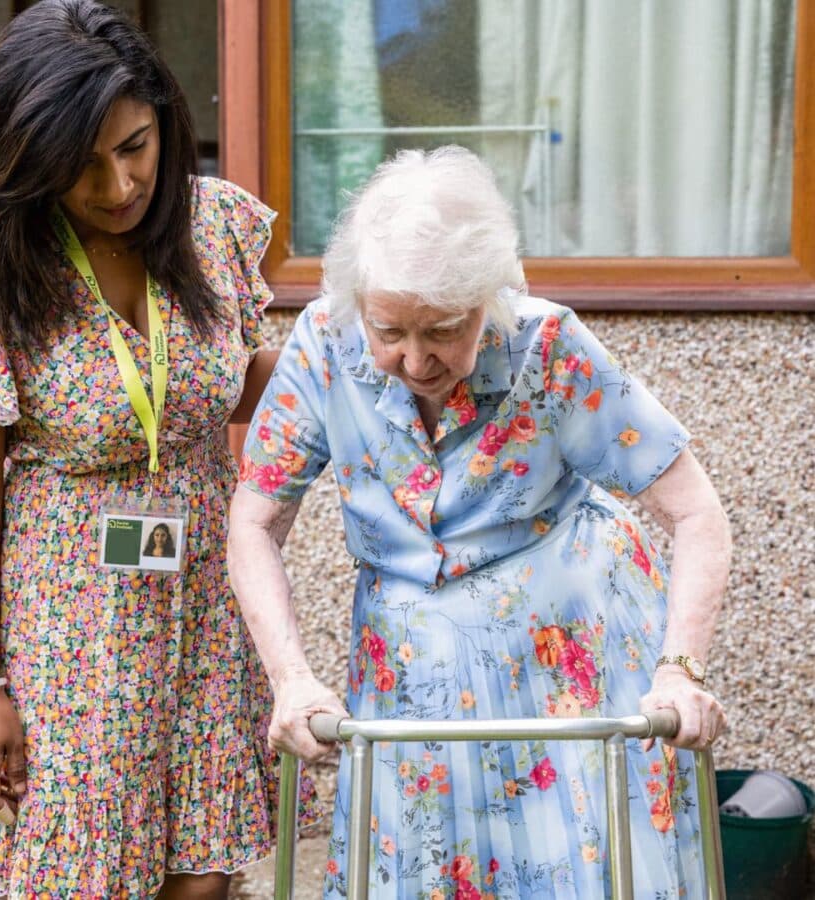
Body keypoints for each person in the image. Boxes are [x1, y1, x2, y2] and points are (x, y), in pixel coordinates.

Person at [228, 146, 730, 899]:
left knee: (581, 869)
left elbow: (696, 512)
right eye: (390, 330)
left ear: (488, 300)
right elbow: (254, 523)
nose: (415, 359)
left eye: (443, 331)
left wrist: (680, 669)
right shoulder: (323, 347)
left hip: (563, 657)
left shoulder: (547, 348)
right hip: (410, 674)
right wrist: (292, 679)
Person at [0, 2, 318, 896]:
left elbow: (228, 382)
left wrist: (365, 371)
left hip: (209, 600)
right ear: (29, 159)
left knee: (204, 873)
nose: (120, 184)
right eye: (82, 165)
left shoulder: (210, 230)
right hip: (75, 622)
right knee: (85, 878)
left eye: (135, 145)